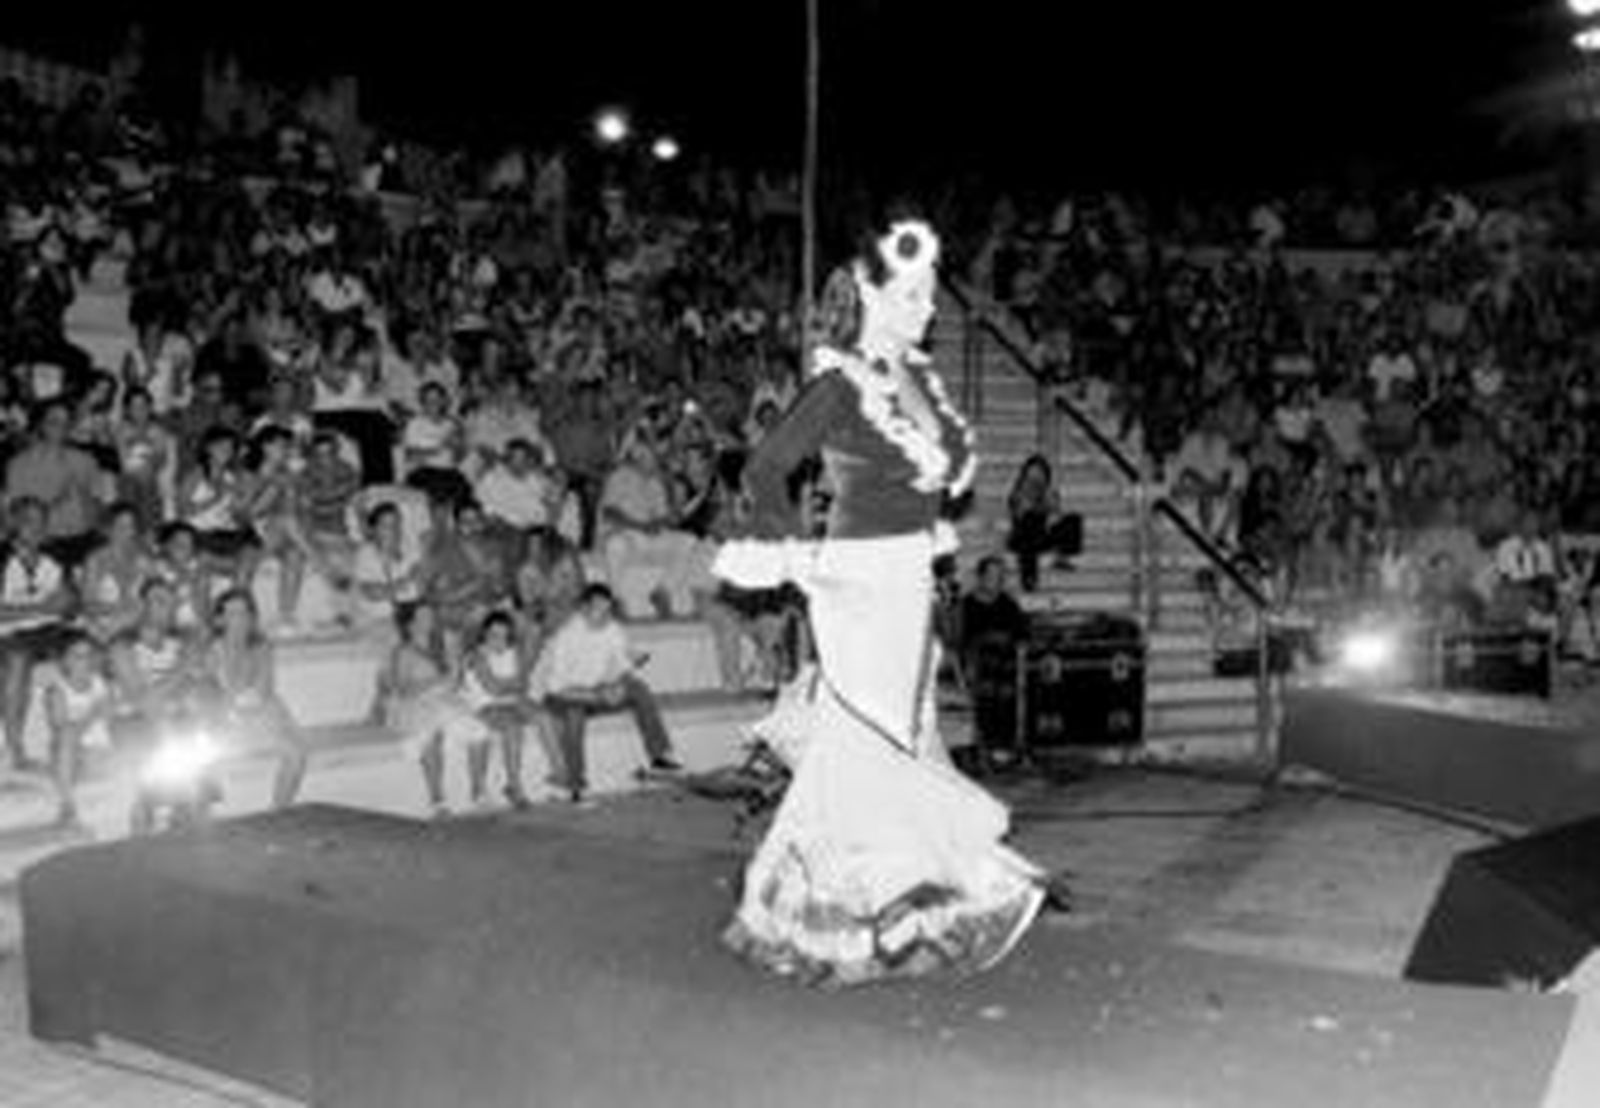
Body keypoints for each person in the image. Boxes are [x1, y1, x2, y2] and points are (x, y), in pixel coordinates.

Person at [711, 217, 1045, 985]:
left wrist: (909, 385)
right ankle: (853, 908)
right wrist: (793, 551)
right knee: (872, 739)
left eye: (931, 294)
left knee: (903, 729)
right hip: (859, 581)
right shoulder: (837, 384)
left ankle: (896, 900)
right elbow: (764, 470)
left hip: (907, 576)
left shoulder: (918, 380)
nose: (929, 308)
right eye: (915, 294)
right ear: (870, 294)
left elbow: (954, 468)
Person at [531, 583, 680, 806]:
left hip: (596, 688)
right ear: (583, 609)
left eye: (607, 610)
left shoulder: (613, 629)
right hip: (559, 696)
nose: (603, 617)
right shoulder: (566, 636)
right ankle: (576, 785)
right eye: (597, 610)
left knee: (637, 688)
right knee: (574, 714)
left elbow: (622, 667)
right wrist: (597, 697)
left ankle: (659, 755)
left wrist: (618, 685)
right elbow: (555, 687)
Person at [381, 600, 494, 818]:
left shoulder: (444, 644)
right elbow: (403, 690)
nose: (429, 621)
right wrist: (437, 682)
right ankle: (437, 800)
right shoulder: (402, 651)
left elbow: (455, 681)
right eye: (423, 617)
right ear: (410, 624)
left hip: (444, 701)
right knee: (431, 734)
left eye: (431, 616)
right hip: (412, 705)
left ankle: (478, 793)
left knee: (480, 731)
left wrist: (456, 667)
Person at [197, 589, 308, 809]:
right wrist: (229, 709)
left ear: (252, 617)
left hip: (261, 714)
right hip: (225, 717)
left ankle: (278, 811)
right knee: (198, 749)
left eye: (245, 612)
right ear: (220, 619)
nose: (240, 619)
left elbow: (264, 690)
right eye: (233, 613)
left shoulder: (262, 646)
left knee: (297, 753)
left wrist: (243, 706)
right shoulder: (212, 650)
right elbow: (211, 693)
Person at [0, 497, 78, 770]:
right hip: (9, 633)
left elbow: (69, 606)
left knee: (87, 650)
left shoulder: (55, 557)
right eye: (28, 521)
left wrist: (65, 603)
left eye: (41, 521)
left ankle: (71, 745)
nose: (36, 527)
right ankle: (15, 747)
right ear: (14, 523)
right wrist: (41, 607)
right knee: (18, 659)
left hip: (50, 631)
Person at [957, 555, 1030, 772]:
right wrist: (984, 640)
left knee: (1009, 690)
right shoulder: (966, 606)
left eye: (1000, 577)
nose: (996, 581)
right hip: (975, 668)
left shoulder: (1008, 604)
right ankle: (984, 748)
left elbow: (1023, 635)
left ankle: (1005, 748)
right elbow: (960, 640)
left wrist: (1009, 640)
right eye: (991, 576)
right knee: (988, 690)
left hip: (1005, 669)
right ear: (980, 578)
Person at [462, 610, 538, 810]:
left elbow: (524, 684)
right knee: (513, 727)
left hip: (508, 703)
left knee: (544, 716)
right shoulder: (476, 655)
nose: (499, 640)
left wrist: (508, 685)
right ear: (484, 635)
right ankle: (514, 786)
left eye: (504, 635)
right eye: (494, 635)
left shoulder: (514, 652)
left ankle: (560, 773)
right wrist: (512, 684)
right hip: (483, 706)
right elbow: (492, 689)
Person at [44, 631, 113, 827]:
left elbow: (110, 719)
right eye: (78, 656)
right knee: (67, 737)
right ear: (64, 661)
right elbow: (63, 731)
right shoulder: (57, 691)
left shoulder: (101, 684)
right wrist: (92, 714)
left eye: (89, 655)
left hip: (100, 752)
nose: (86, 661)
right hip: (70, 758)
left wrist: (105, 711)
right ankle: (67, 804)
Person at [1006, 453, 1081, 591]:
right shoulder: (1018, 493)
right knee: (1028, 528)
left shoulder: (1048, 492)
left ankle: (1063, 556)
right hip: (1023, 537)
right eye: (1033, 474)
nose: (1036, 478)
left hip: (1042, 534)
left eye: (1040, 474)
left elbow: (1056, 514)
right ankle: (1029, 579)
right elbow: (1021, 512)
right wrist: (1042, 505)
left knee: (1073, 519)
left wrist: (1050, 504)